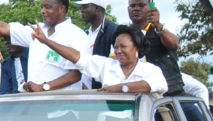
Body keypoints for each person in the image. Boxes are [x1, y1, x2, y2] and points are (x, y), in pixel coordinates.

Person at [0, 0, 87, 92]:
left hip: (63, 107)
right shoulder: (36, 30)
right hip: (38, 105)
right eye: (42, 7)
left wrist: (43, 87)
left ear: (61, 9)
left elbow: (76, 74)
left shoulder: (76, 35)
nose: (43, 11)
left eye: (48, 7)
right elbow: (4, 28)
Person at [29, 23, 168, 93]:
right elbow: (77, 56)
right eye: (116, 47)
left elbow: (159, 84)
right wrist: (46, 41)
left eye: (123, 47)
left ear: (137, 47)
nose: (118, 51)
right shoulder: (106, 65)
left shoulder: (150, 70)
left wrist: (120, 88)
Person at [73, 0, 117, 88]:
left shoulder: (113, 31)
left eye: (85, 7)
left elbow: (114, 64)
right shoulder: (85, 33)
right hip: (82, 91)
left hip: (101, 92)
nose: (82, 11)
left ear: (96, 8)